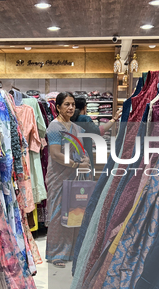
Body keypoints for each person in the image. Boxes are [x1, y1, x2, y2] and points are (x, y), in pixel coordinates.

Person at [45, 92, 90, 268]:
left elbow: (81, 150)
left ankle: (70, 251)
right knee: (58, 213)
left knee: (73, 211)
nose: (71, 107)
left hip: (74, 175)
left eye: (72, 104)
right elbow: (56, 154)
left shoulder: (74, 127)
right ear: (58, 107)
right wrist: (75, 165)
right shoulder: (55, 127)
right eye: (66, 104)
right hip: (59, 176)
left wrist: (84, 160)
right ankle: (56, 253)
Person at [71, 96, 122, 164]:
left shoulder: (69, 118)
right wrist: (114, 119)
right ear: (85, 107)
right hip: (85, 153)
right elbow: (98, 131)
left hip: (71, 154)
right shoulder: (85, 119)